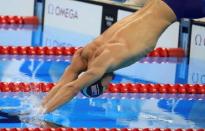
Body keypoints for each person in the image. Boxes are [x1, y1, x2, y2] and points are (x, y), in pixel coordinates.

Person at [42, 0, 205, 113]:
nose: (109, 86)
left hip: (181, 7)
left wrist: (41, 113)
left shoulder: (104, 61)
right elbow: (63, 82)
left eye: (104, 88)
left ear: (97, 80)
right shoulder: (86, 53)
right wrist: (41, 105)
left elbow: (73, 87)